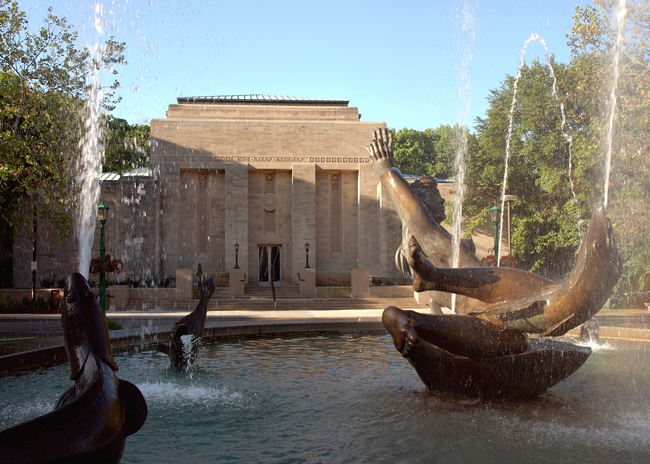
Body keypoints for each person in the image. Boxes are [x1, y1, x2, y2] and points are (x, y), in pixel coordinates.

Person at [366, 128, 621, 336]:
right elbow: (416, 217)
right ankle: (581, 291)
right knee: (550, 305)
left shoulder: (428, 244)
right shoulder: (426, 240)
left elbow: (414, 218)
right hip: (484, 301)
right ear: (421, 200)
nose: (443, 201)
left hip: (482, 306)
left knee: (535, 317)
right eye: (435, 195)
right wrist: (387, 170)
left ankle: (420, 301)